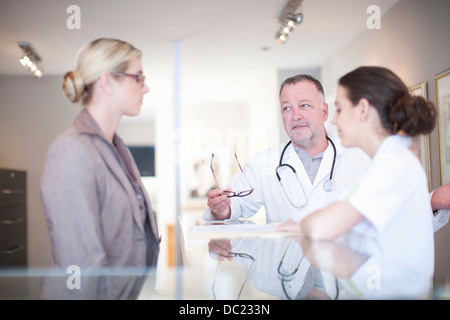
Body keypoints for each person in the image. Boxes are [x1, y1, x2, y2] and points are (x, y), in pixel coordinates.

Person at [203, 73, 449, 229]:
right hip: (290, 279)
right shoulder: (264, 163)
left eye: (304, 105)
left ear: (324, 111)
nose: (295, 115)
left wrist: (433, 200)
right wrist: (221, 208)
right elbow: (233, 210)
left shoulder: (363, 157)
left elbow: (399, 214)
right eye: (286, 108)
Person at [277, 66, 437, 297]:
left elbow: (322, 227)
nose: (333, 119)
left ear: (362, 110)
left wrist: (305, 226)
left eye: (340, 109)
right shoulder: (391, 161)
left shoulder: (392, 167)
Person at [40, 38, 160, 292]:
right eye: (138, 76)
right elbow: (82, 264)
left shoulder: (118, 149)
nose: (145, 87)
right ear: (106, 82)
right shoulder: (70, 150)